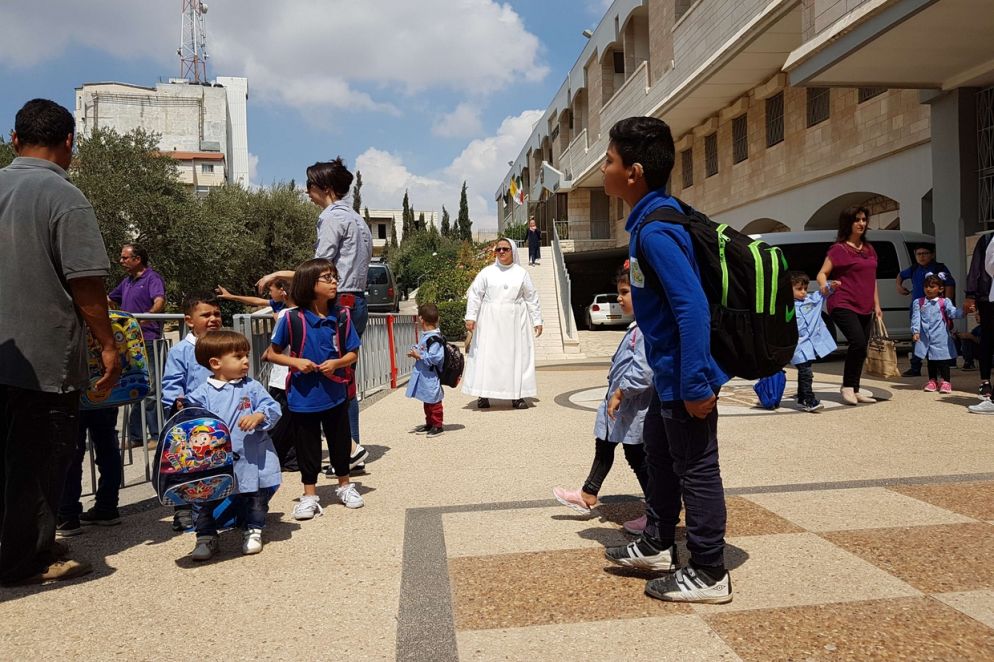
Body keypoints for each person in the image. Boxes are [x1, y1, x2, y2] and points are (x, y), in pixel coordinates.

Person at [600, 116, 732, 604]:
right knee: (657, 450)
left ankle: (710, 571)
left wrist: (697, 383)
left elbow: (692, 307)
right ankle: (658, 543)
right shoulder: (652, 219)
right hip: (668, 373)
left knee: (696, 468)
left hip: (684, 374)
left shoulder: (656, 232)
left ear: (633, 172)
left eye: (609, 160)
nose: (603, 167)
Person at [0, 98, 120, 586]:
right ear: (69, 142)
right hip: (43, 358)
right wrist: (108, 347)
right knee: (38, 460)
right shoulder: (64, 198)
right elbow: (86, 284)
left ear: (14, 139)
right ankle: (28, 559)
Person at [257, 157, 372, 473]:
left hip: (337, 305)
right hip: (356, 301)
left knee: (327, 377)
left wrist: (275, 275)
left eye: (309, 185)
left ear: (324, 188)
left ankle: (346, 451)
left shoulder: (331, 219)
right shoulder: (357, 219)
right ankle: (348, 452)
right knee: (343, 378)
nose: (306, 192)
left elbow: (318, 270)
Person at [553, 261, 652, 536]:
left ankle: (657, 511)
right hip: (623, 405)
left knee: (636, 454)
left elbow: (644, 371)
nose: (619, 298)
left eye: (625, 292)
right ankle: (588, 493)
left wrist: (621, 392)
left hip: (633, 405)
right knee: (606, 443)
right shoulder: (638, 327)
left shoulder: (645, 331)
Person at [268, 259, 362, 518]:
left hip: (335, 392)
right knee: (306, 446)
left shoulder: (341, 316)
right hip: (303, 395)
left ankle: (345, 486)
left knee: (340, 441)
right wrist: (296, 362)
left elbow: (353, 353)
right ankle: (309, 495)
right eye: (327, 278)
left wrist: (337, 363)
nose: (334, 282)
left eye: (334, 277)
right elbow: (271, 354)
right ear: (310, 284)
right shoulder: (291, 319)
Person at [183, 331, 282, 559]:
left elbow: (273, 407)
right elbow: (192, 422)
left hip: (250, 456)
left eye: (246, 355)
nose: (246, 360)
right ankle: (205, 536)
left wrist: (259, 416)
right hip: (213, 461)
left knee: (254, 495)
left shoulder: (252, 387)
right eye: (238, 356)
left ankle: (254, 529)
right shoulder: (200, 394)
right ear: (216, 363)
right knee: (204, 499)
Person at [159, 293, 223, 531]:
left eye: (216, 313)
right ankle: (183, 509)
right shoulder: (182, 351)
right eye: (205, 315)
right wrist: (176, 404)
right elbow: (173, 382)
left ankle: (215, 507)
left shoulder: (225, 344)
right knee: (187, 467)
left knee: (215, 463)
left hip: (220, 417)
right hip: (191, 418)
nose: (213, 319)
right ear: (189, 320)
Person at [462, 238, 543, 410]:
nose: (501, 252)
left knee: (516, 358)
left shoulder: (522, 273)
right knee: (487, 357)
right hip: (489, 321)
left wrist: (537, 320)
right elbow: (475, 295)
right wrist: (471, 317)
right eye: (498, 249)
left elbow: (531, 298)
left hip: (514, 322)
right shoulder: (486, 272)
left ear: (512, 251)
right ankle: (483, 394)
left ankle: (517, 396)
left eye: (505, 249)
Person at [816, 207, 883, 406]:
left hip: (865, 305)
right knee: (858, 342)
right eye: (857, 220)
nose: (862, 223)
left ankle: (855, 388)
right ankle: (846, 387)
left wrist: (877, 306)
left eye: (864, 219)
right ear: (848, 223)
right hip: (842, 302)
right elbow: (822, 273)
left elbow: (872, 279)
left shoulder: (869, 249)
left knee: (861, 348)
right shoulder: (838, 249)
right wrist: (824, 286)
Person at [109, 242, 166, 447]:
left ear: (137, 259)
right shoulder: (126, 281)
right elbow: (110, 298)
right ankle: (136, 436)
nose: (121, 261)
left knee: (151, 387)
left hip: (149, 339)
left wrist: (144, 319)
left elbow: (159, 301)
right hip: (128, 343)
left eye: (125, 257)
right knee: (132, 386)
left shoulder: (152, 278)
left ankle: (156, 433)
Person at [56, 409, 123, 537]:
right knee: (108, 445)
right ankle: (107, 507)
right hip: (104, 395)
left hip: (75, 396)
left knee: (72, 450)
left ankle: (67, 515)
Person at [896, 246, 955, 376]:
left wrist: (947, 304)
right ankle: (915, 367)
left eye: (925, 253)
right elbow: (900, 276)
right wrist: (899, 287)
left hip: (936, 310)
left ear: (932, 254)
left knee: (937, 339)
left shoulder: (939, 268)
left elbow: (949, 284)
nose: (922, 256)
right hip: (918, 309)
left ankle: (940, 368)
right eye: (918, 254)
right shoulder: (914, 268)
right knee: (916, 338)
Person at [789, 271, 838, 412]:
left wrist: (831, 286)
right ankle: (808, 400)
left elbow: (823, 293)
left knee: (805, 372)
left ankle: (801, 399)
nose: (803, 292)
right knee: (806, 372)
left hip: (809, 347)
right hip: (797, 347)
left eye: (805, 288)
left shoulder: (811, 301)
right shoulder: (785, 308)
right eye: (799, 289)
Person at [911, 274, 963, 394]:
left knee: (943, 360)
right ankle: (932, 380)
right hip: (926, 337)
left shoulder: (944, 302)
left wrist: (963, 311)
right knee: (931, 360)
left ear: (940, 289)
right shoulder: (919, 302)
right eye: (926, 287)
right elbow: (916, 318)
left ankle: (946, 381)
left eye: (932, 287)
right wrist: (916, 331)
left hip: (941, 337)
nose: (928, 289)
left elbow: (952, 313)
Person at [405, 303, 446, 438]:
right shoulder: (427, 336)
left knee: (434, 400)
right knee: (427, 399)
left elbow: (437, 358)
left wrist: (419, 355)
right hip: (425, 374)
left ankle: (437, 425)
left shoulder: (434, 338)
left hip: (431, 375)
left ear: (421, 319)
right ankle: (429, 423)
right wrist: (416, 350)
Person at [962, 233, 994, 405]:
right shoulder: (987, 240)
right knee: (987, 338)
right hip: (987, 298)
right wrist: (970, 295)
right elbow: (975, 268)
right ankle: (985, 382)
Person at [216, 280, 289, 314]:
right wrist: (232, 297)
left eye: (271, 290)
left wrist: (274, 275)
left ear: (281, 290)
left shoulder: (295, 304)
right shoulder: (276, 303)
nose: (269, 293)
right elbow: (256, 301)